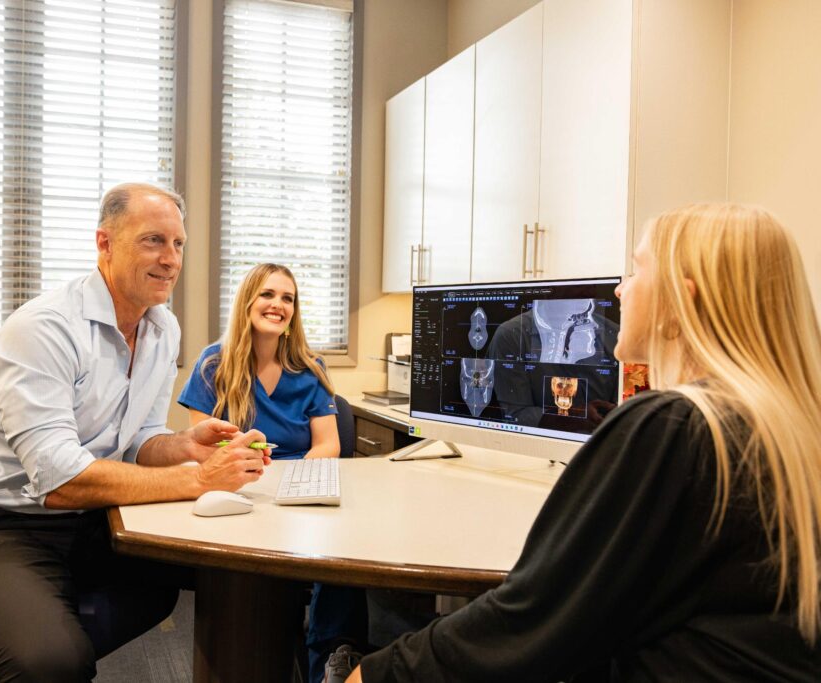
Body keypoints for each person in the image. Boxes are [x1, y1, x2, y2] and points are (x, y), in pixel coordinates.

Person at [347, 203, 821, 682]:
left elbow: (528, 623)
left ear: (680, 304)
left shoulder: (676, 427)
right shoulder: (782, 427)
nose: (620, 290)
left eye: (636, 271)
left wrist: (378, 673)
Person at [0, 183, 271, 683]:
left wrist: (183, 447)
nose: (171, 259)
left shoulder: (162, 328)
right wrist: (198, 479)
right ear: (105, 243)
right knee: (49, 665)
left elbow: (139, 439)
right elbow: (60, 480)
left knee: (252, 572)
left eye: (178, 244)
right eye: (153, 240)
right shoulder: (43, 328)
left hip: (94, 519)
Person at [178, 263, 366, 682]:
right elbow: (200, 444)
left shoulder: (311, 367)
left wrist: (295, 481)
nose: (278, 305)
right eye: (267, 294)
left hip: (299, 488)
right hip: (240, 488)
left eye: (288, 298)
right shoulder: (213, 364)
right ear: (248, 301)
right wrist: (244, 466)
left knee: (341, 548)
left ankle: (333, 658)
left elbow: (328, 444)